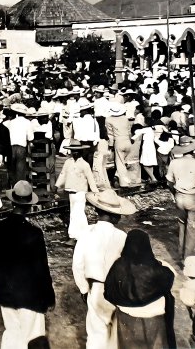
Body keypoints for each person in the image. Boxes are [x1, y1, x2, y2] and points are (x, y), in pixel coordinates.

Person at [0, 181, 55, 348]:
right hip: (30, 296)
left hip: (6, 294)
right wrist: (49, 296)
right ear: (29, 206)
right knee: (33, 337)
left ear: (12, 202)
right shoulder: (34, 233)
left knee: (12, 334)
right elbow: (41, 270)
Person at [72, 189, 137, 349]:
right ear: (114, 216)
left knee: (96, 333)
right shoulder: (122, 237)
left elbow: (78, 264)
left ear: (96, 210)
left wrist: (83, 287)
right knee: (115, 333)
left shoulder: (86, 233)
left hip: (95, 289)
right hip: (117, 290)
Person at [104, 229, 176, 348]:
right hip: (154, 320)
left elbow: (108, 292)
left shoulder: (118, 266)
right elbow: (170, 277)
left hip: (126, 319)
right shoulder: (157, 269)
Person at [165, 136, 195, 260]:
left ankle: (181, 255)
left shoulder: (174, 163)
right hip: (193, 198)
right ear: (193, 149)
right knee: (193, 230)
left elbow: (169, 182)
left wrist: (175, 193)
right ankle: (190, 260)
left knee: (182, 226)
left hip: (179, 198)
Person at [55, 140, 99, 241]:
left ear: (81, 152)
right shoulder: (68, 162)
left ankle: (74, 236)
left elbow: (90, 179)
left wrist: (95, 192)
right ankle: (82, 235)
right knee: (74, 214)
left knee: (77, 214)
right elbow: (63, 175)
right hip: (71, 193)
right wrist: (57, 187)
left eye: (76, 151)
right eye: (72, 151)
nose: (74, 153)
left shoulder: (84, 164)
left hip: (80, 192)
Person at [105, 104, 133, 187]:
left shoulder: (109, 119)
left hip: (118, 140)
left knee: (120, 163)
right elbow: (129, 131)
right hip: (127, 140)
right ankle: (119, 178)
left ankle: (123, 183)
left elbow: (110, 134)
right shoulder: (125, 119)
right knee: (124, 161)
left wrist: (110, 145)